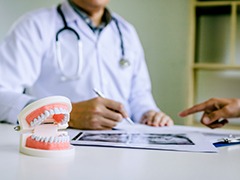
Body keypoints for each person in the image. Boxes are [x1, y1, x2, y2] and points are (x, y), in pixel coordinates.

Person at [0, 0, 174, 130]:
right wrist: (66, 114)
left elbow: (139, 96)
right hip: (59, 146)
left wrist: (149, 114)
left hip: (124, 147)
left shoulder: (126, 31)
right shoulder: (35, 26)